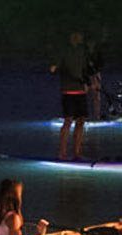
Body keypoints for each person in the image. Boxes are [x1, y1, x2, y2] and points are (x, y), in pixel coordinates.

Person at [50, 32, 89, 160]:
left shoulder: (82, 51)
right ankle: (62, 153)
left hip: (81, 91)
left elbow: (85, 69)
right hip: (68, 91)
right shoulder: (63, 50)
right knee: (68, 121)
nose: (80, 38)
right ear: (72, 36)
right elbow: (53, 68)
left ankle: (77, 153)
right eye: (78, 35)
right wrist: (58, 68)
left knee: (81, 121)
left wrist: (88, 83)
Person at [85, 39, 104, 121]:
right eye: (89, 43)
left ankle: (97, 115)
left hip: (95, 75)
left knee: (96, 96)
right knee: (85, 96)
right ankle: (84, 115)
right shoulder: (85, 53)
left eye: (92, 43)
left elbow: (101, 63)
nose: (91, 44)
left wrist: (96, 69)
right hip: (86, 75)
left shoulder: (98, 53)